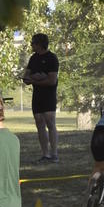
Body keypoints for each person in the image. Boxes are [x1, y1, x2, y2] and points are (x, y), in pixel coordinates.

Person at [22, 33, 60, 163]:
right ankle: (45, 154)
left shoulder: (52, 58)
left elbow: (52, 81)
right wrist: (38, 77)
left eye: (33, 43)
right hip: (37, 96)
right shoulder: (33, 58)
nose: (31, 45)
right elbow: (26, 77)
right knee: (39, 123)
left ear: (40, 44)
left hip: (49, 96)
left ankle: (54, 154)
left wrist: (35, 79)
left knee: (50, 122)